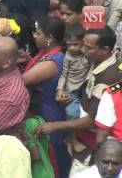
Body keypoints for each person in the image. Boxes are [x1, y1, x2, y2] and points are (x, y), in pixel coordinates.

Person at [34, 26, 122, 176]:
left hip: (91, 145)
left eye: (88, 47)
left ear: (105, 49)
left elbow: (90, 121)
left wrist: (54, 126)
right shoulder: (96, 61)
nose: (82, 50)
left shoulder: (109, 79)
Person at [22, 15, 71, 178]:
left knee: (50, 163)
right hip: (45, 113)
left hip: (49, 118)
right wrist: (29, 60)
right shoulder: (47, 53)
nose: (34, 36)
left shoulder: (52, 61)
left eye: (38, 33)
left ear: (50, 38)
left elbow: (21, 81)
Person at [56, 24, 92, 120]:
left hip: (85, 87)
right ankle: (72, 133)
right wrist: (60, 89)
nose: (71, 48)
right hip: (72, 88)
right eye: (68, 45)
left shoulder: (88, 54)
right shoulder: (68, 56)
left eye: (75, 44)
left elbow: (92, 67)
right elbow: (64, 74)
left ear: (83, 42)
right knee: (72, 113)